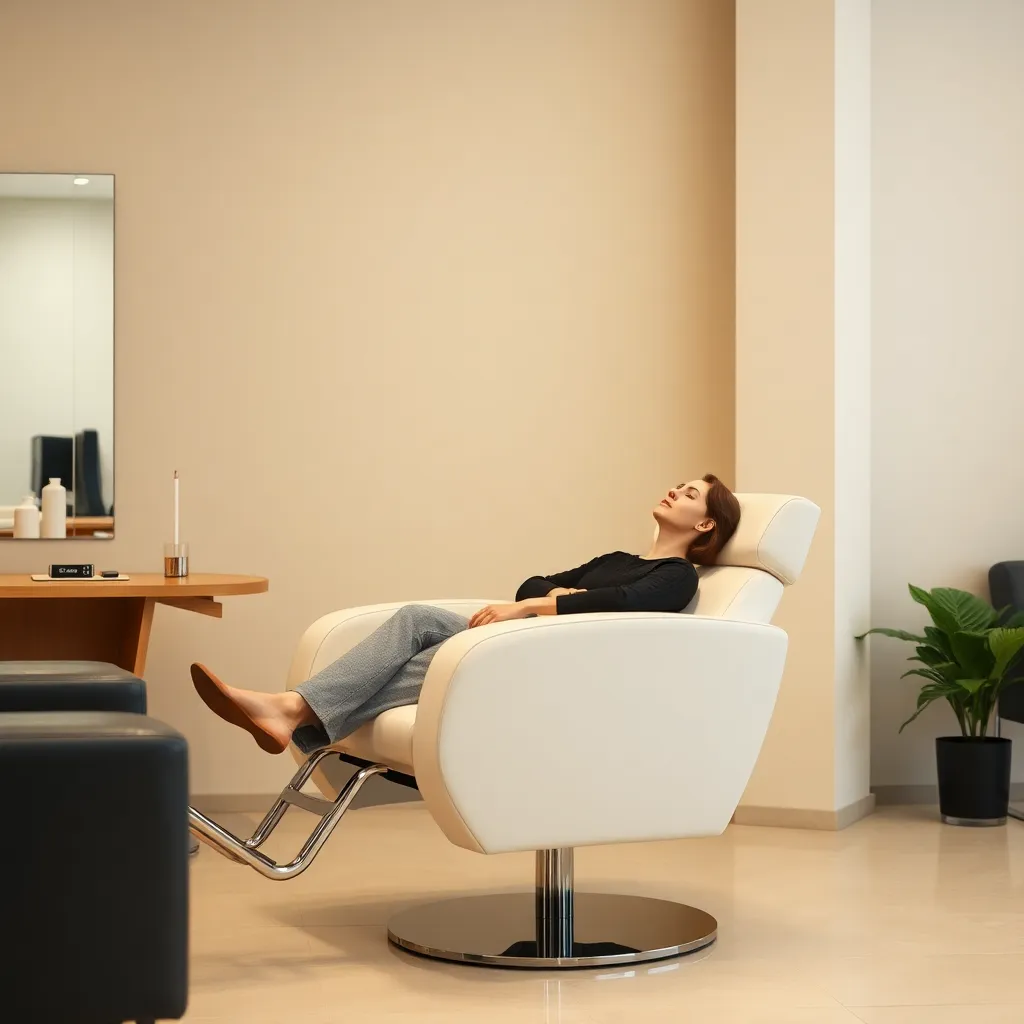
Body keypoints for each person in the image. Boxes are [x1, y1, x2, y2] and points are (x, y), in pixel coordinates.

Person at [191, 474, 741, 756]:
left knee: (446, 652)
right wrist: (545, 595)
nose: (675, 490)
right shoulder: (620, 560)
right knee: (417, 619)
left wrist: (538, 604)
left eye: (689, 493)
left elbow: (623, 606)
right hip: (526, 642)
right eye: (678, 484)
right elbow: (533, 579)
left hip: (563, 665)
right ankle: (294, 712)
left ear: (705, 526)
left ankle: (292, 712)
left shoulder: (678, 576)